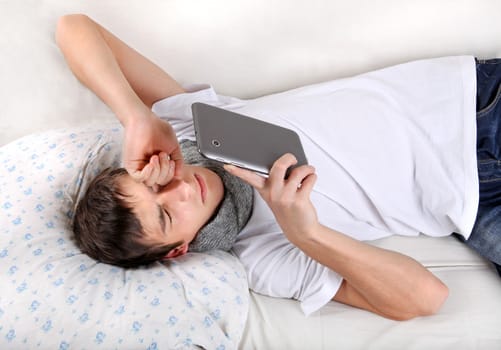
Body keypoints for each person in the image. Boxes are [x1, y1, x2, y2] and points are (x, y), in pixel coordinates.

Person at [56, 14, 501, 321]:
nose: (182, 189)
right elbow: (426, 298)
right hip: (477, 204)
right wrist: (305, 233)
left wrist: (135, 116)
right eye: (167, 215)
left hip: (472, 103)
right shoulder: (262, 259)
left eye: (154, 185)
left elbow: (74, 27)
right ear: (178, 250)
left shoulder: (185, 129)